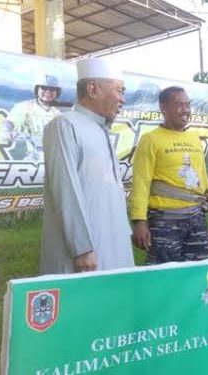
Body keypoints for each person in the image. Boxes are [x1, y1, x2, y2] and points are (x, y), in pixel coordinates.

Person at [40, 58, 134, 274]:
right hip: (85, 253)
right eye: (119, 91)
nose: (122, 99)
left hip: (113, 244)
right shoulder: (64, 125)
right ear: (92, 89)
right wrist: (82, 248)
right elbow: (66, 190)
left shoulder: (102, 130)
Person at [130, 86, 208, 264]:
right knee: (165, 274)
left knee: (198, 271)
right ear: (163, 107)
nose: (185, 109)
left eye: (187, 105)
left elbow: (202, 175)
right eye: (179, 105)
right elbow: (141, 182)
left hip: (196, 218)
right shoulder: (150, 139)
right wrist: (139, 222)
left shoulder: (194, 138)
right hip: (164, 219)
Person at [0, 74, 63, 161]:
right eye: (44, 88)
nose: (48, 92)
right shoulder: (23, 107)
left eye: (52, 89)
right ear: (37, 89)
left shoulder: (58, 114)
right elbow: (10, 122)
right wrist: (6, 131)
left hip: (50, 158)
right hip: (28, 156)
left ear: (57, 92)